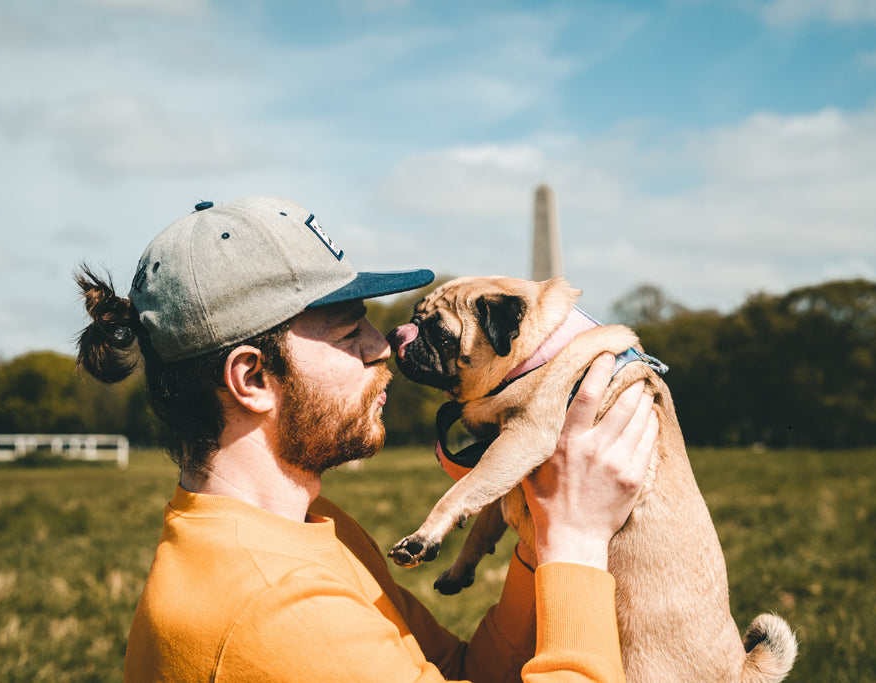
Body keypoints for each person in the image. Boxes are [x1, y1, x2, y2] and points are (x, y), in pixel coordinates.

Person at [76, 196, 659, 682]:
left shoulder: (312, 526)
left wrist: (539, 542)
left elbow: (458, 671)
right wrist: (578, 543)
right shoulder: (273, 610)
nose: (383, 346)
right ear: (252, 377)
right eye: (350, 330)